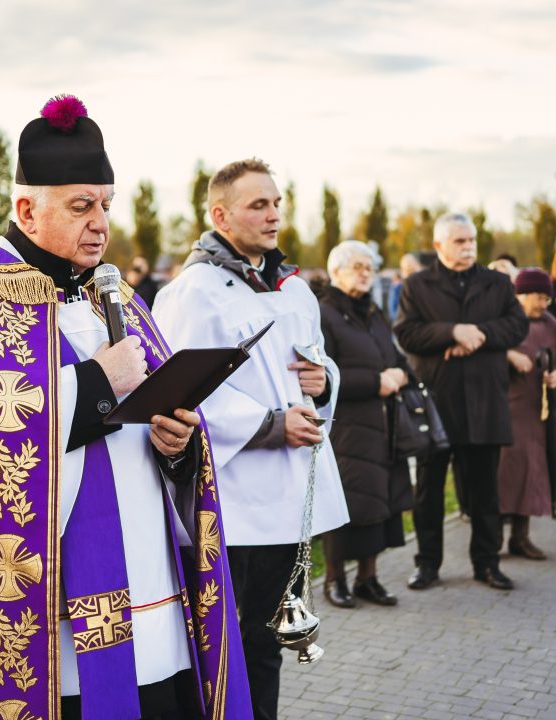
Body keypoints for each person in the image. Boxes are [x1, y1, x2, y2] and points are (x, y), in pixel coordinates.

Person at [0, 96, 251, 720]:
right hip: (44, 622)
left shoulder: (118, 297)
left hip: (153, 597)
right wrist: (97, 383)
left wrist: (176, 445)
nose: (101, 223)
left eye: (106, 204)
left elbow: (160, 435)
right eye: (81, 207)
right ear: (27, 210)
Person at [153, 158, 346, 720]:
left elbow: (315, 366)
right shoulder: (193, 293)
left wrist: (324, 382)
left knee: (269, 640)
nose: (273, 215)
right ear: (221, 215)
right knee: (219, 642)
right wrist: (269, 425)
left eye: (277, 203)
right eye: (258, 205)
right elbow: (181, 391)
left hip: (287, 499)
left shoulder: (296, 290)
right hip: (231, 504)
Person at [395, 212, 529, 591]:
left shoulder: (497, 283)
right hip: (436, 402)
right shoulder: (417, 286)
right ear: (439, 245)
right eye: (459, 241)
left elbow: (517, 326)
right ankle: (427, 564)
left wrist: (478, 334)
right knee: (429, 491)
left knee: (485, 491)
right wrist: (452, 332)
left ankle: (487, 563)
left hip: (484, 402)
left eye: (471, 240)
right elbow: (407, 334)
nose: (468, 247)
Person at [317, 241, 414, 609]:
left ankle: (368, 579)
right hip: (346, 428)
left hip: (382, 424)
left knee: (379, 504)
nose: (365, 273)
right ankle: (334, 580)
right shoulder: (324, 313)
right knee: (345, 505)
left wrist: (400, 374)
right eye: (356, 266)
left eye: (369, 267)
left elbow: (396, 358)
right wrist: (376, 382)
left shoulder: (373, 312)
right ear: (335, 271)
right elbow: (323, 375)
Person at [497, 268, 556, 560]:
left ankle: (521, 537)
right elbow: (488, 349)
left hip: (542, 411)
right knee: (505, 474)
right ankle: (492, 540)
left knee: (533, 474)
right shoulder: (504, 321)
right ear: (521, 295)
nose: (543, 303)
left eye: (546, 298)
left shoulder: (551, 324)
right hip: (509, 408)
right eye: (538, 297)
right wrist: (509, 355)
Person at [387, 252, 422, 321]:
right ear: (403, 272)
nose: (412, 276)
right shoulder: (397, 288)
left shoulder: (424, 287)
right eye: (408, 271)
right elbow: (393, 313)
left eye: (413, 271)